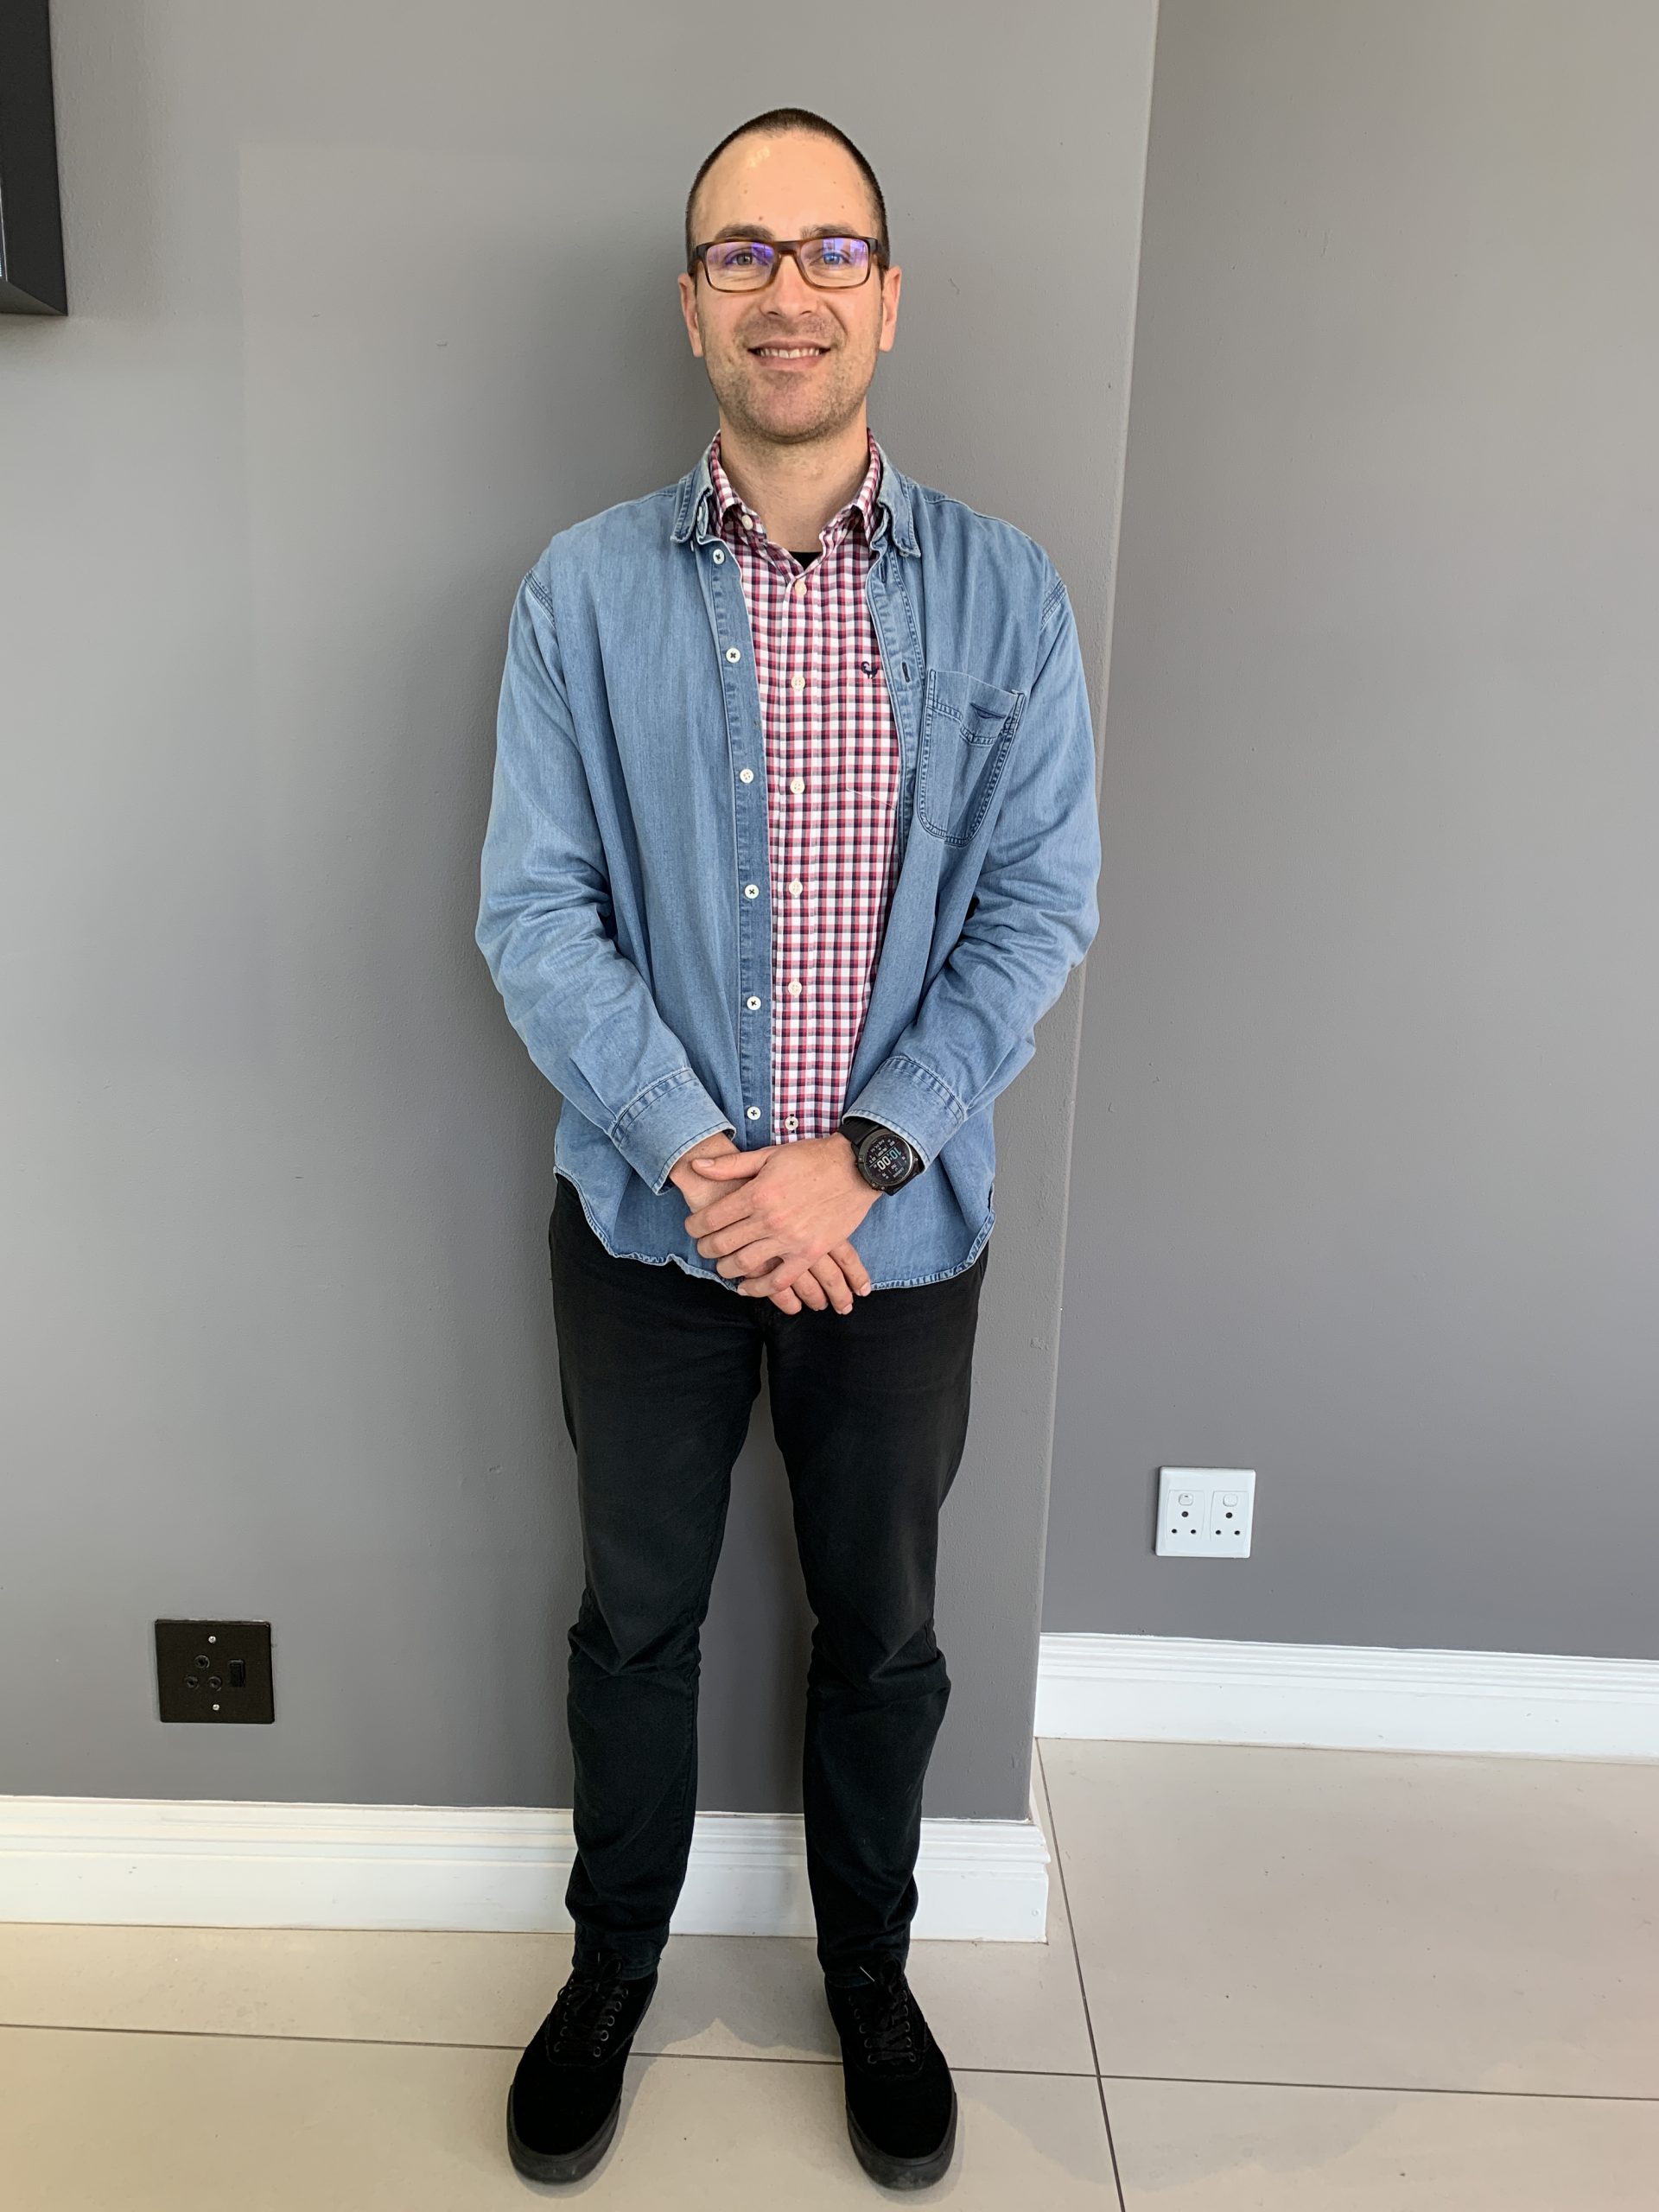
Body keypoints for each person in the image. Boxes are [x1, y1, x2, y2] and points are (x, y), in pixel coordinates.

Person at [475, 104, 1102, 2190]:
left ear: (888, 298)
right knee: (632, 1625)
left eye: (831, 252)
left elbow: (1040, 908)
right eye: (744, 255)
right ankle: (610, 1969)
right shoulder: (581, 593)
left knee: (885, 1634)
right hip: (643, 1236)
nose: (789, 292)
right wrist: (706, 1161)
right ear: (693, 306)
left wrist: (864, 1154)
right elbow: (534, 913)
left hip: (900, 1246)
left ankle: (870, 1974)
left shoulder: (1009, 595)